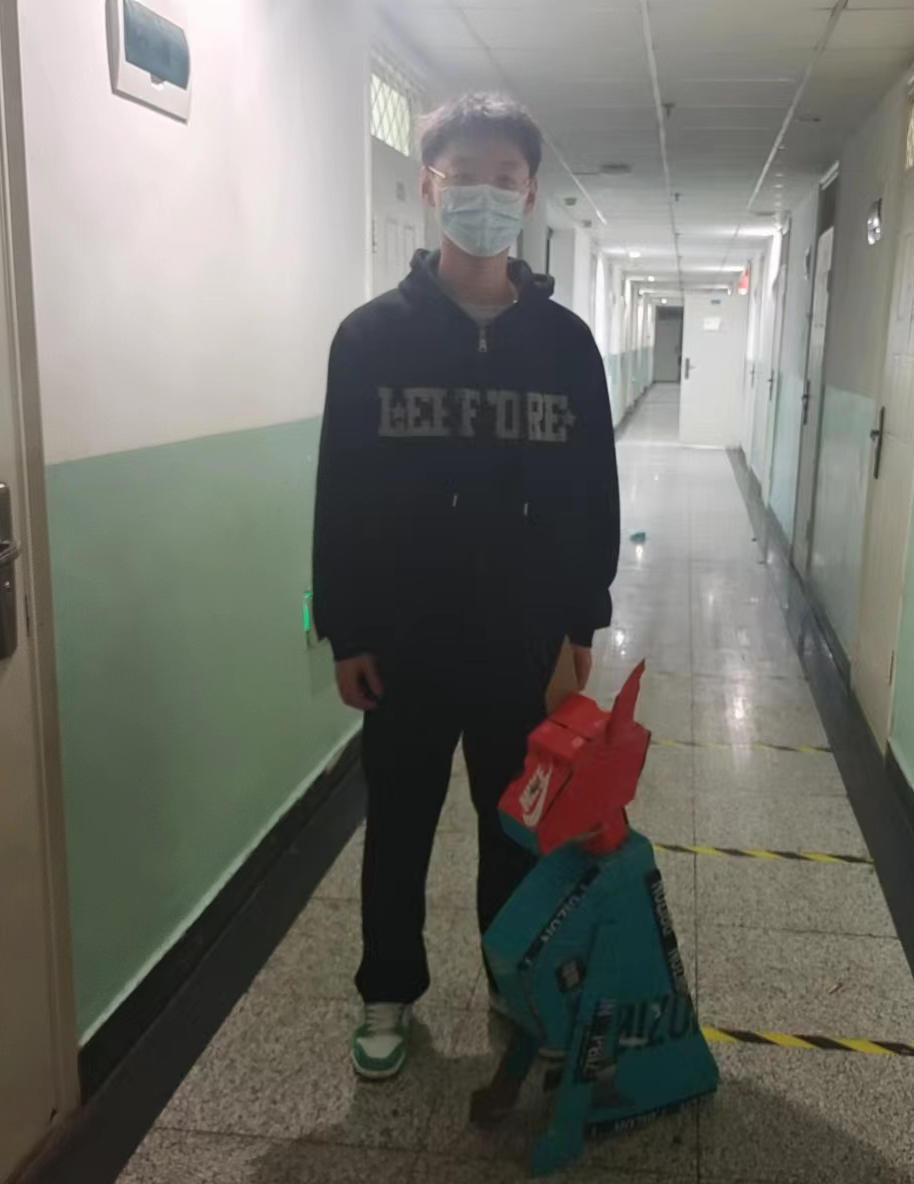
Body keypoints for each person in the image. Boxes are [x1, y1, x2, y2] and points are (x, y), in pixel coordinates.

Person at [312, 92, 620, 1080]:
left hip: (520, 641)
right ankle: (387, 989)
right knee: (397, 825)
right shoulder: (369, 340)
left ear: (529, 195)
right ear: (427, 186)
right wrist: (346, 627)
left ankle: (512, 973)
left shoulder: (564, 346)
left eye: (505, 177)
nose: (484, 193)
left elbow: (592, 491)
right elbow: (341, 491)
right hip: (403, 640)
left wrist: (582, 622)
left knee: (514, 827)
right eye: (465, 175)